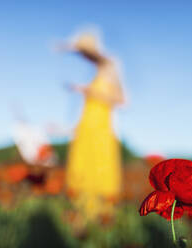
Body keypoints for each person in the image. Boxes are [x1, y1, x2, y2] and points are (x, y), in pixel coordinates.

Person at [64, 31, 125, 221]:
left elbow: (121, 100)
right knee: (81, 173)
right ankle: (83, 220)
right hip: (85, 130)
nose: (82, 58)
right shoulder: (97, 71)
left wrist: (89, 91)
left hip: (101, 132)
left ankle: (101, 221)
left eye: (83, 53)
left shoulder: (111, 66)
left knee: (99, 172)